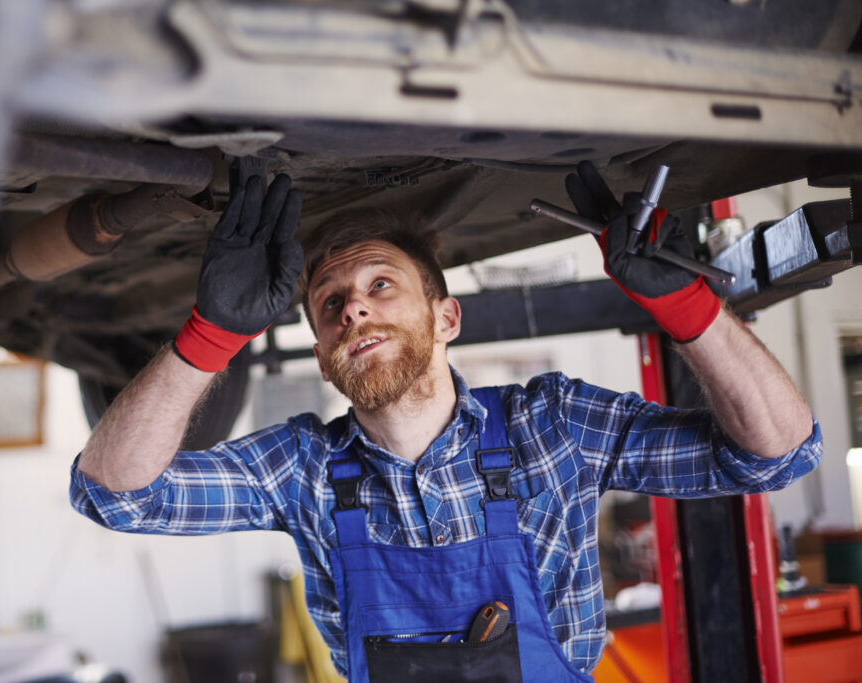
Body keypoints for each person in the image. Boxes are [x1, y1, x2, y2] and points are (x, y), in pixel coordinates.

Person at [71, 167, 821, 682]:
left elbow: (778, 454)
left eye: (380, 284)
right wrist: (212, 335)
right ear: (324, 358)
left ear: (447, 318)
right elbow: (114, 494)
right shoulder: (302, 467)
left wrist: (688, 308)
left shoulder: (552, 426)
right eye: (330, 303)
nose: (352, 307)